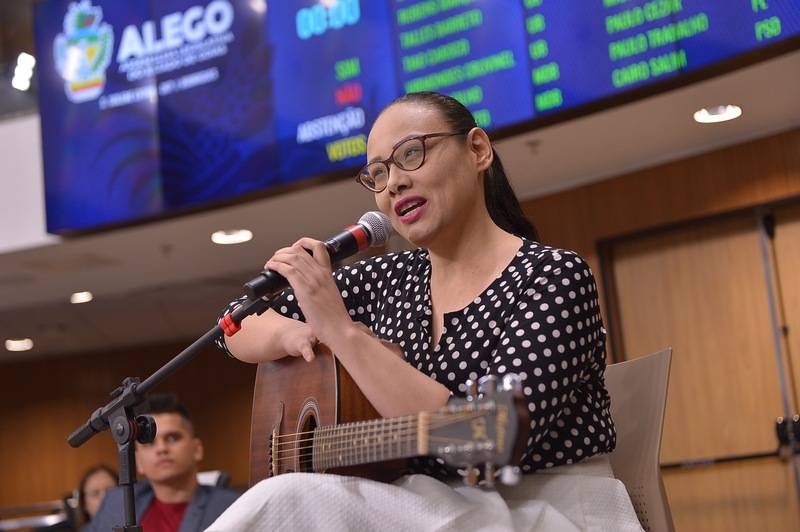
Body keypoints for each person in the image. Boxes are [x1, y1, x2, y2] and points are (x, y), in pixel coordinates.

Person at [208, 91, 643, 530]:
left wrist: (342, 331)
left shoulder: (553, 275)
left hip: (544, 511)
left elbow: (490, 440)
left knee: (288, 498)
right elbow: (235, 323)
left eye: (411, 154)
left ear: (478, 149)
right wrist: (301, 334)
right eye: (378, 173)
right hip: (427, 506)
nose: (393, 183)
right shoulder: (389, 278)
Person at [86, 393, 240, 532]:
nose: (161, 448)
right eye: (149, 443)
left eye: (172, 438)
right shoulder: (116, 502)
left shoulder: (232, 508)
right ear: (138, 461)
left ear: (196, 449)